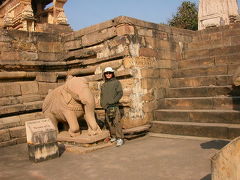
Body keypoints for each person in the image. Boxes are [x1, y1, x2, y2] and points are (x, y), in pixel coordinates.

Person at [100, 67, 124, 147]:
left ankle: (120, 138)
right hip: (106, 107)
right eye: (106, 73)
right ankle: (114, 136)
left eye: (110, 73)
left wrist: (114, 101)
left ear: (112, 73)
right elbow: (102, 95)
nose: (108, 74)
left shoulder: (116, 82)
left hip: (114, 106)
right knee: (110, 122)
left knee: (116, 122)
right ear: (104, 74)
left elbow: (120, 93)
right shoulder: (103, 85)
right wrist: (102, 104)